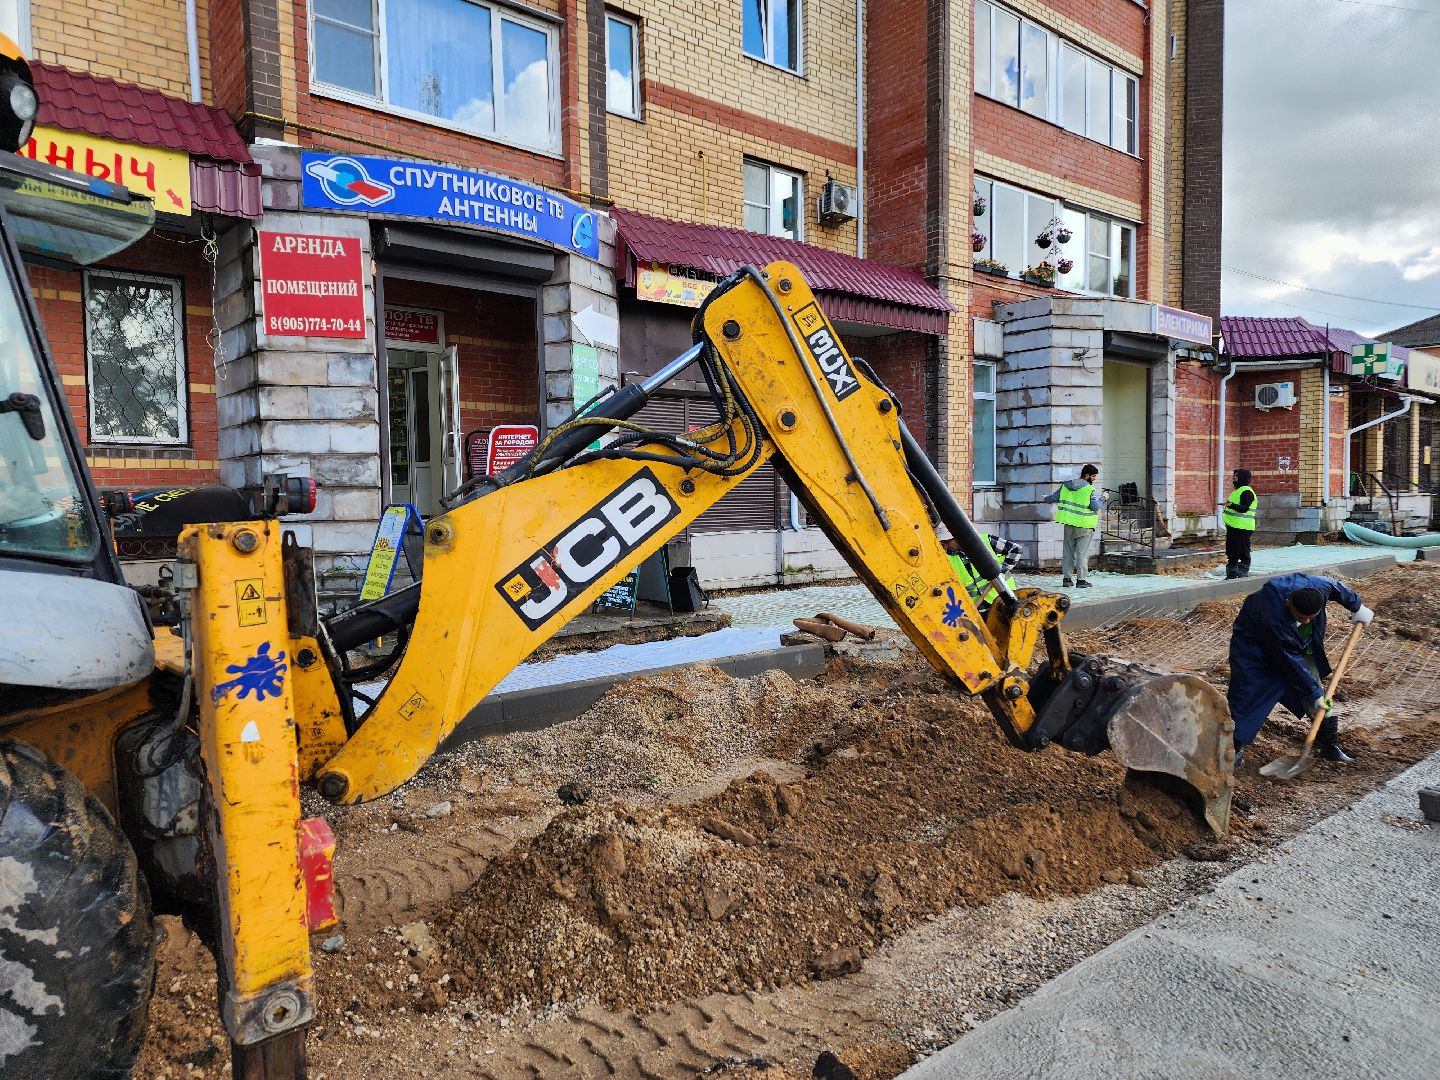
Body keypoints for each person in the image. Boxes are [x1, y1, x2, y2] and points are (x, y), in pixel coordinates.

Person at [1227, 573, 1374, 767]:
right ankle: (1234, 746)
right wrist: (1313, 693)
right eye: (1301, 617)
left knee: (1314, 687)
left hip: (1296, 644)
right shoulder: (1272, 612)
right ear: (1289, 603)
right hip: (1252, 646)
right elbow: (1288, 660)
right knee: (1247, 692)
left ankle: (1329, 745)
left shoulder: (1318, 588)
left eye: (1311, 618)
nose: (1306, 621)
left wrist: (1357, 606)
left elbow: (1335, 587)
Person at [1043, 464, 1106, 588]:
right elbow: (1095, 507)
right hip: (1084, 526)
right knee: (1082, 553)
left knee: (1068, 552)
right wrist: (1103, 498)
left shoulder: (1066, 486)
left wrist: (1045, 498)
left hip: (1069, 525)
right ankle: (1081, 581)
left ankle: (1067, 579)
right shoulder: (1089, 489)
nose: (1094, 479)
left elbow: (1052, 498)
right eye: (1093, 476)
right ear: (1086, 475)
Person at [937, 524, 1021, 615]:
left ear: (956, 538)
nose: (945, 545)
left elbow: (1016, 549)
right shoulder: (946, 557)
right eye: (942, 542)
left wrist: (1002, 571)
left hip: (1004, 600)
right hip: (978, 608)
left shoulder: (983, 541)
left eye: (946, 541)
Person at [1222, 468, 1257, 579]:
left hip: (1243, 528)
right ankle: (1231, 575)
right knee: (1232, 552)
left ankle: (1242, 576)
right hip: (1233, 527)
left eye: (1236, 475)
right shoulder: (1237, 491)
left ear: (1242, 477)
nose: (1233, 477)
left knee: (1243, 552)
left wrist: (1231, 505)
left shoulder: (1247, 492)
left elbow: (1244, 508)